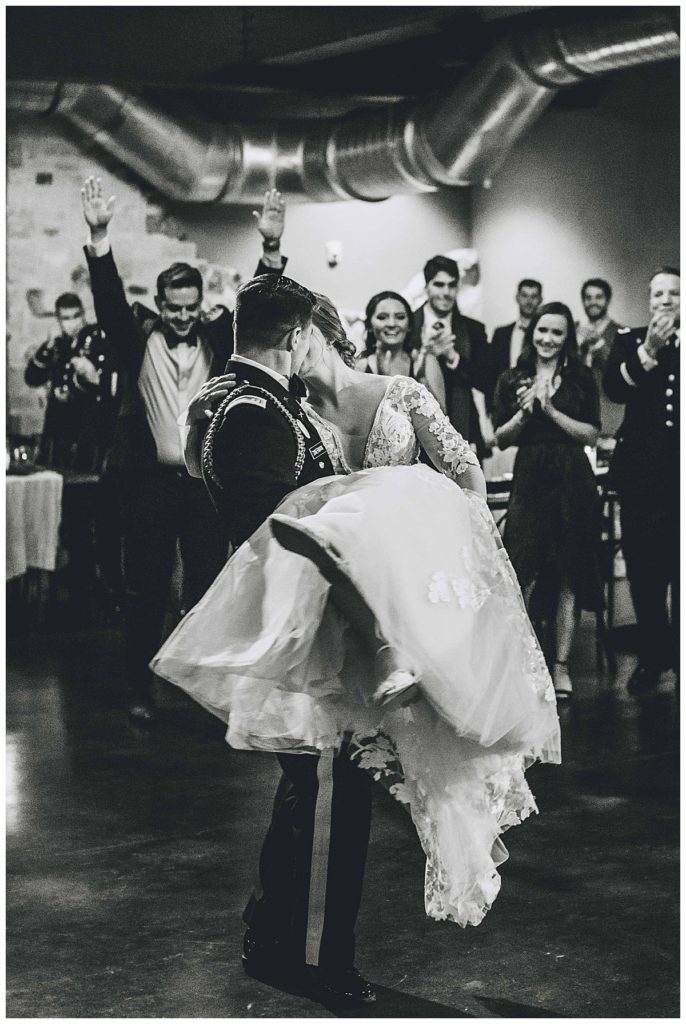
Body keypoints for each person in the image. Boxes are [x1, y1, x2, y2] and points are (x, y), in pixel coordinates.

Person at [152, 286, 560, 992]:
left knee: (316, 789)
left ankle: (271, 927)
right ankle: (311, 957)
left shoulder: (251, 400)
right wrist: (376, 637)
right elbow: (290, 528)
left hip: (332, 621)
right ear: (297, 335)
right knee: (327, 798)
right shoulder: (255, 409)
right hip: (321, 626)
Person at [80, 175, 286, 723]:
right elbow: (107, 301)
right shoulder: (136, 336)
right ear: (160, 303)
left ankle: (202, 693)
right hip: (145, 484)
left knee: (206, 590)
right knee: (144, 591)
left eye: (190, 308)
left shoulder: (219, 337)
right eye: (174, 309)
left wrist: (269, 249)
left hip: (203, 488)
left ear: (200, 304)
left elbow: (258, 312)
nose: (182, 317)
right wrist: (100, 237)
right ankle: (139, 691)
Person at [493, 302, 603, 702]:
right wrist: (525, 413)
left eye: (557, 332)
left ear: (567, 338)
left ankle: (560, 667)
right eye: (542, 331)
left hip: (573, 478)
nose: (548, 339)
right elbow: (499, 438)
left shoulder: (581, 378)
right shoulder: (512, 377)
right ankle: (522, 662)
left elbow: (591, 433)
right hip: (531, 477)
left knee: (571, 569)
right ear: (532, 332)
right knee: (521, 568)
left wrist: (551, 409)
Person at [603, 267, 679, 696]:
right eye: (658, 293)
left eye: (673, 293)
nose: (665, 300)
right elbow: (615, 388)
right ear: (649, 300)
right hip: (642, 484)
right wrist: (649, 350)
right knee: (645, 575)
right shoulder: (631, 340)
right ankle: (651, 659)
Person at [408, 255, 492, 460]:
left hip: (464, 432)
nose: (446, 293)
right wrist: (423, 356)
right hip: (415, 435)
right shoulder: (407, 325)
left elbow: (488, 381)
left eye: (452, 285)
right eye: (439, 285)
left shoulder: (474, 330)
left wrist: (453, 357)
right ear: (426, 286)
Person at [25, 292, 119, 472]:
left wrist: (87, 379)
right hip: (57, 427)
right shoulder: (58, 345)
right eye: (66, 318)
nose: (72, 322)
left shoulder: (97, 340)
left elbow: (105, 385)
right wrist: (49, 345)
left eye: (76, 316)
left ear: (83, 314)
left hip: (85, 428)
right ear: (59, 319)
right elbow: (32, 377)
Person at [355, 290, 446, 406]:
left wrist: (423, 382)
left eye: (400, 317)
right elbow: (353, 419)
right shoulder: (359, 366)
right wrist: (383, 384)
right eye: (382, 317)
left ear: (409, 325)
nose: (392, 324)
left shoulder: (426, 362)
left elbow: (442, 419)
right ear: (369, 325)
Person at [487, 279, 543, 413]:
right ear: (517, 298)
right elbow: (491, 373)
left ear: (540, 299)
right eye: (524, 295)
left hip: (537, 402)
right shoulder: (501, 334)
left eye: (534, 296)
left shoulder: (546, 337)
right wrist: (490, 407)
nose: (529, 301)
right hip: (504, 403)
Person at [577, 278, 624, 437]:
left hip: (609, 418)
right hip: (576, 417)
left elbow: (621, 372)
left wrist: (599, 344)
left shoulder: (622, 334)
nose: (593, 302)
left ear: (607, 300)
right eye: (588, 298)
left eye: (598, 297)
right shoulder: (574, 331)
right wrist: (577, 344)